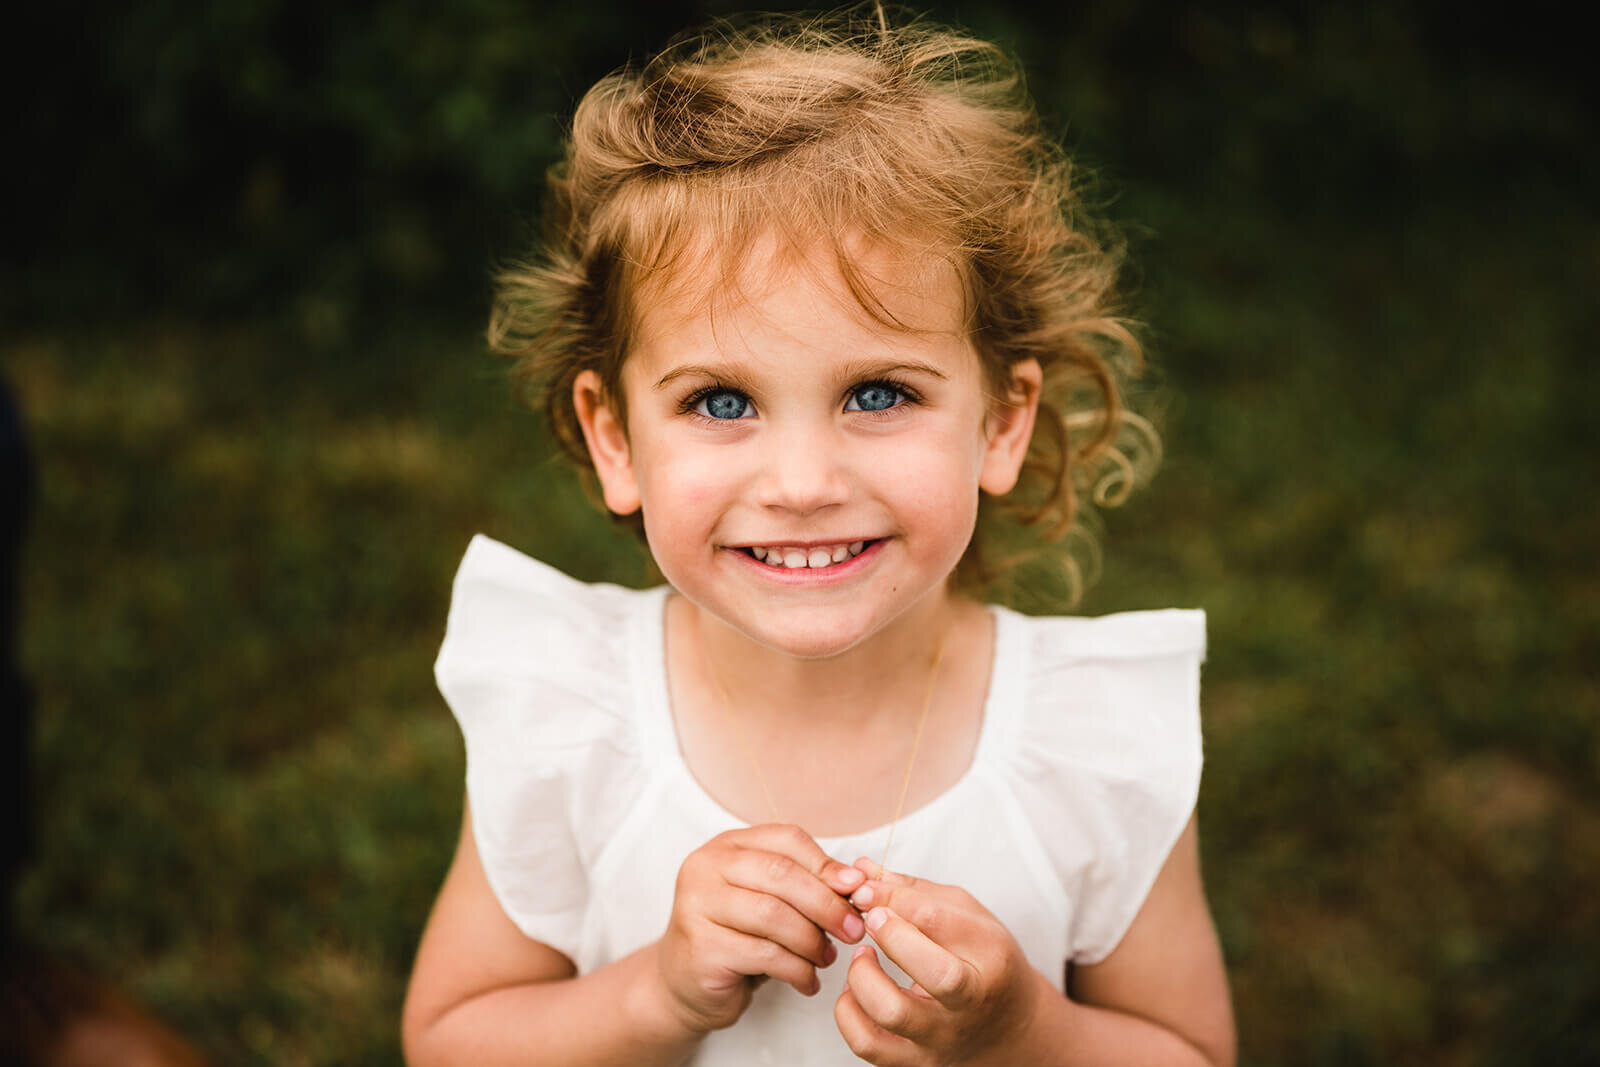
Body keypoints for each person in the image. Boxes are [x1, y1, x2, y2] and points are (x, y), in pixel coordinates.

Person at [403, 9, 1234, 1065]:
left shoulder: (1090, 741)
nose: (801, 484)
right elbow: (452, 1040)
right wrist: (656, 992)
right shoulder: (573, 719)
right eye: (718, 401)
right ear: (615, 438)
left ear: (1000, 420)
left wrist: (1024, 1031)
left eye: (877, 391)